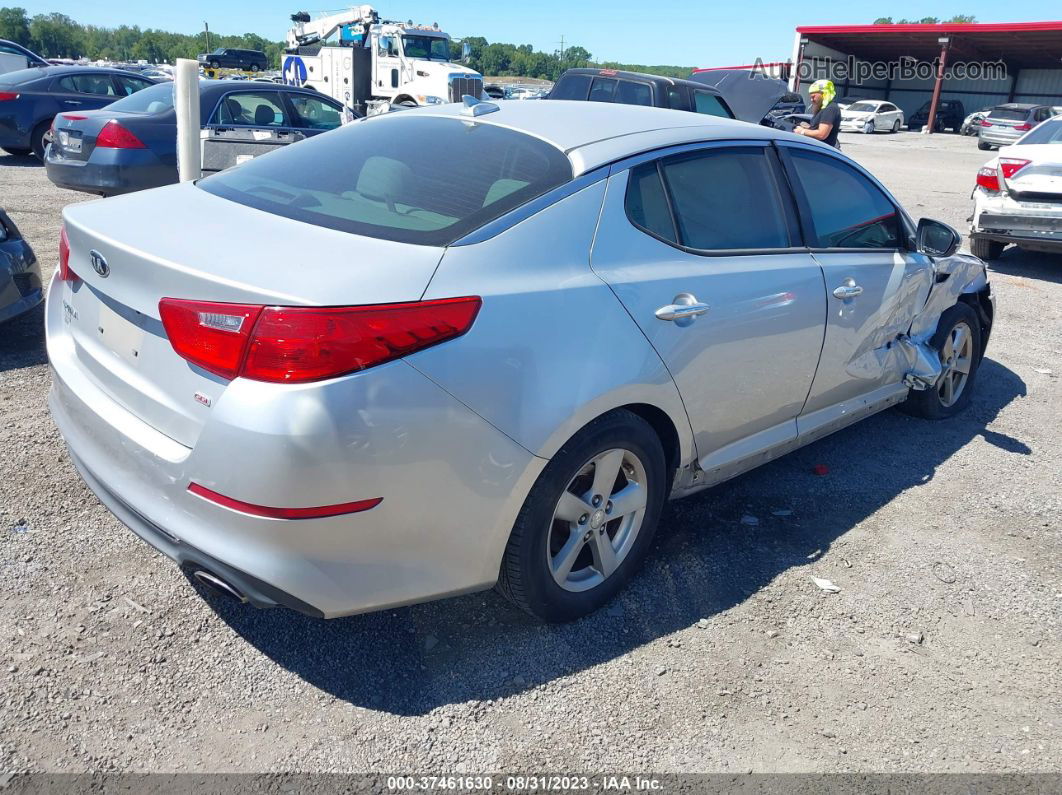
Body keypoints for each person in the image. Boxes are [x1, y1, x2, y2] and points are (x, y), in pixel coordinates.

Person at [794, 79, 841, 149]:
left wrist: (802, 131)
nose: (811, 100)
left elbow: (822, 134)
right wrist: (809, 127)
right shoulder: (822, 108)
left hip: (822, 151)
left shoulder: (830, 109)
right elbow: (818, 128)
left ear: (824, 94)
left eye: (813, 96)